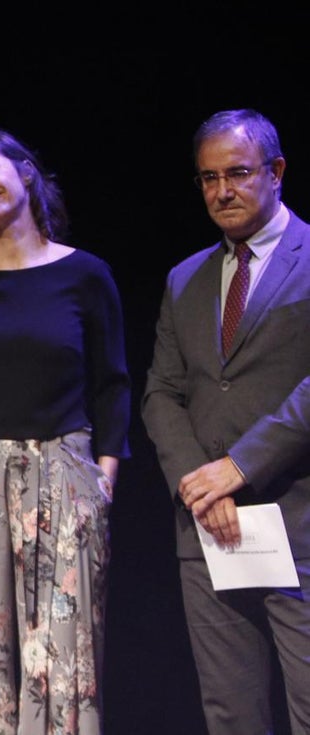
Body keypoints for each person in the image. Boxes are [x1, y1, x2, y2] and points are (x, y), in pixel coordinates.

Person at [0, 126, 131, 733]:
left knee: (63, 653)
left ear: (25, 172)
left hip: (62, 473)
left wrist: (104, 479)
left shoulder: (86, 274)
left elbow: (112, 384)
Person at [142, 108, 310, 734]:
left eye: (237, 174)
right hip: (210, 528)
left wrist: (239, 467)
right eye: (207, 179)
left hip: (297, 518)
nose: (221, 192)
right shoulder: (186, 278)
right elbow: (161, 392)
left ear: (277, 172)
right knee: (230, 712)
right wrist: (198, 481)